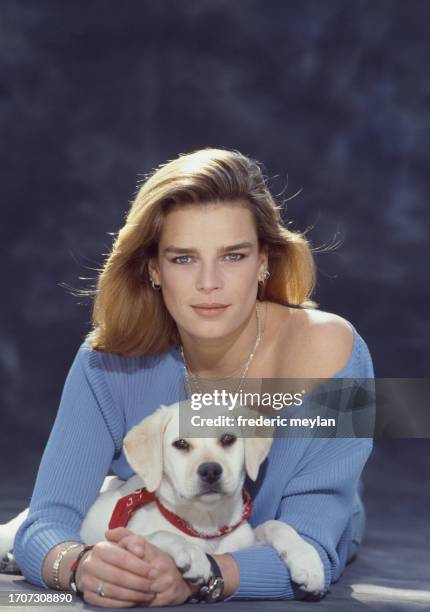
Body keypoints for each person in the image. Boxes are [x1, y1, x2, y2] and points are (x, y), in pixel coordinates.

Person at [13, 147, 374, 607]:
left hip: (289, 527)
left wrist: (202, 577)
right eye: (183, 258)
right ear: (154, 269)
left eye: (233, 256)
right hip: (158, 524)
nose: (208, 283)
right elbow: (46, 527)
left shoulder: (335, 350)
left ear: (264, 261)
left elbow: (316, 553)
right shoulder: (107, 359)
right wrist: (81, 566)